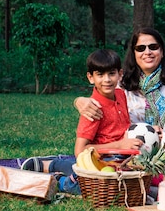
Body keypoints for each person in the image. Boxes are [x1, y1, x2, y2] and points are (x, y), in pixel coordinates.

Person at [23, 49, 143, 193]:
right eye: (100, 74)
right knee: (100, 188)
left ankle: (53, 164)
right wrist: (120, 145)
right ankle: (59, 180)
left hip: (122, 159)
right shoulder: (92, 108)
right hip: (99, 161)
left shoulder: (120, 94)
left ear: (120, 74)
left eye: (111, 73)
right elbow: (80, 151)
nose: (107, 79)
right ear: (91, 77)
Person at [74, 28, 165, 131]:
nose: (147, 52)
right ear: (134, 53)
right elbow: (101, 100)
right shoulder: (121, 83)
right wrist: (78, 101)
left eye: (153, 47)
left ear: (162, 51)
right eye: (140, 48)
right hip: (130, 146)